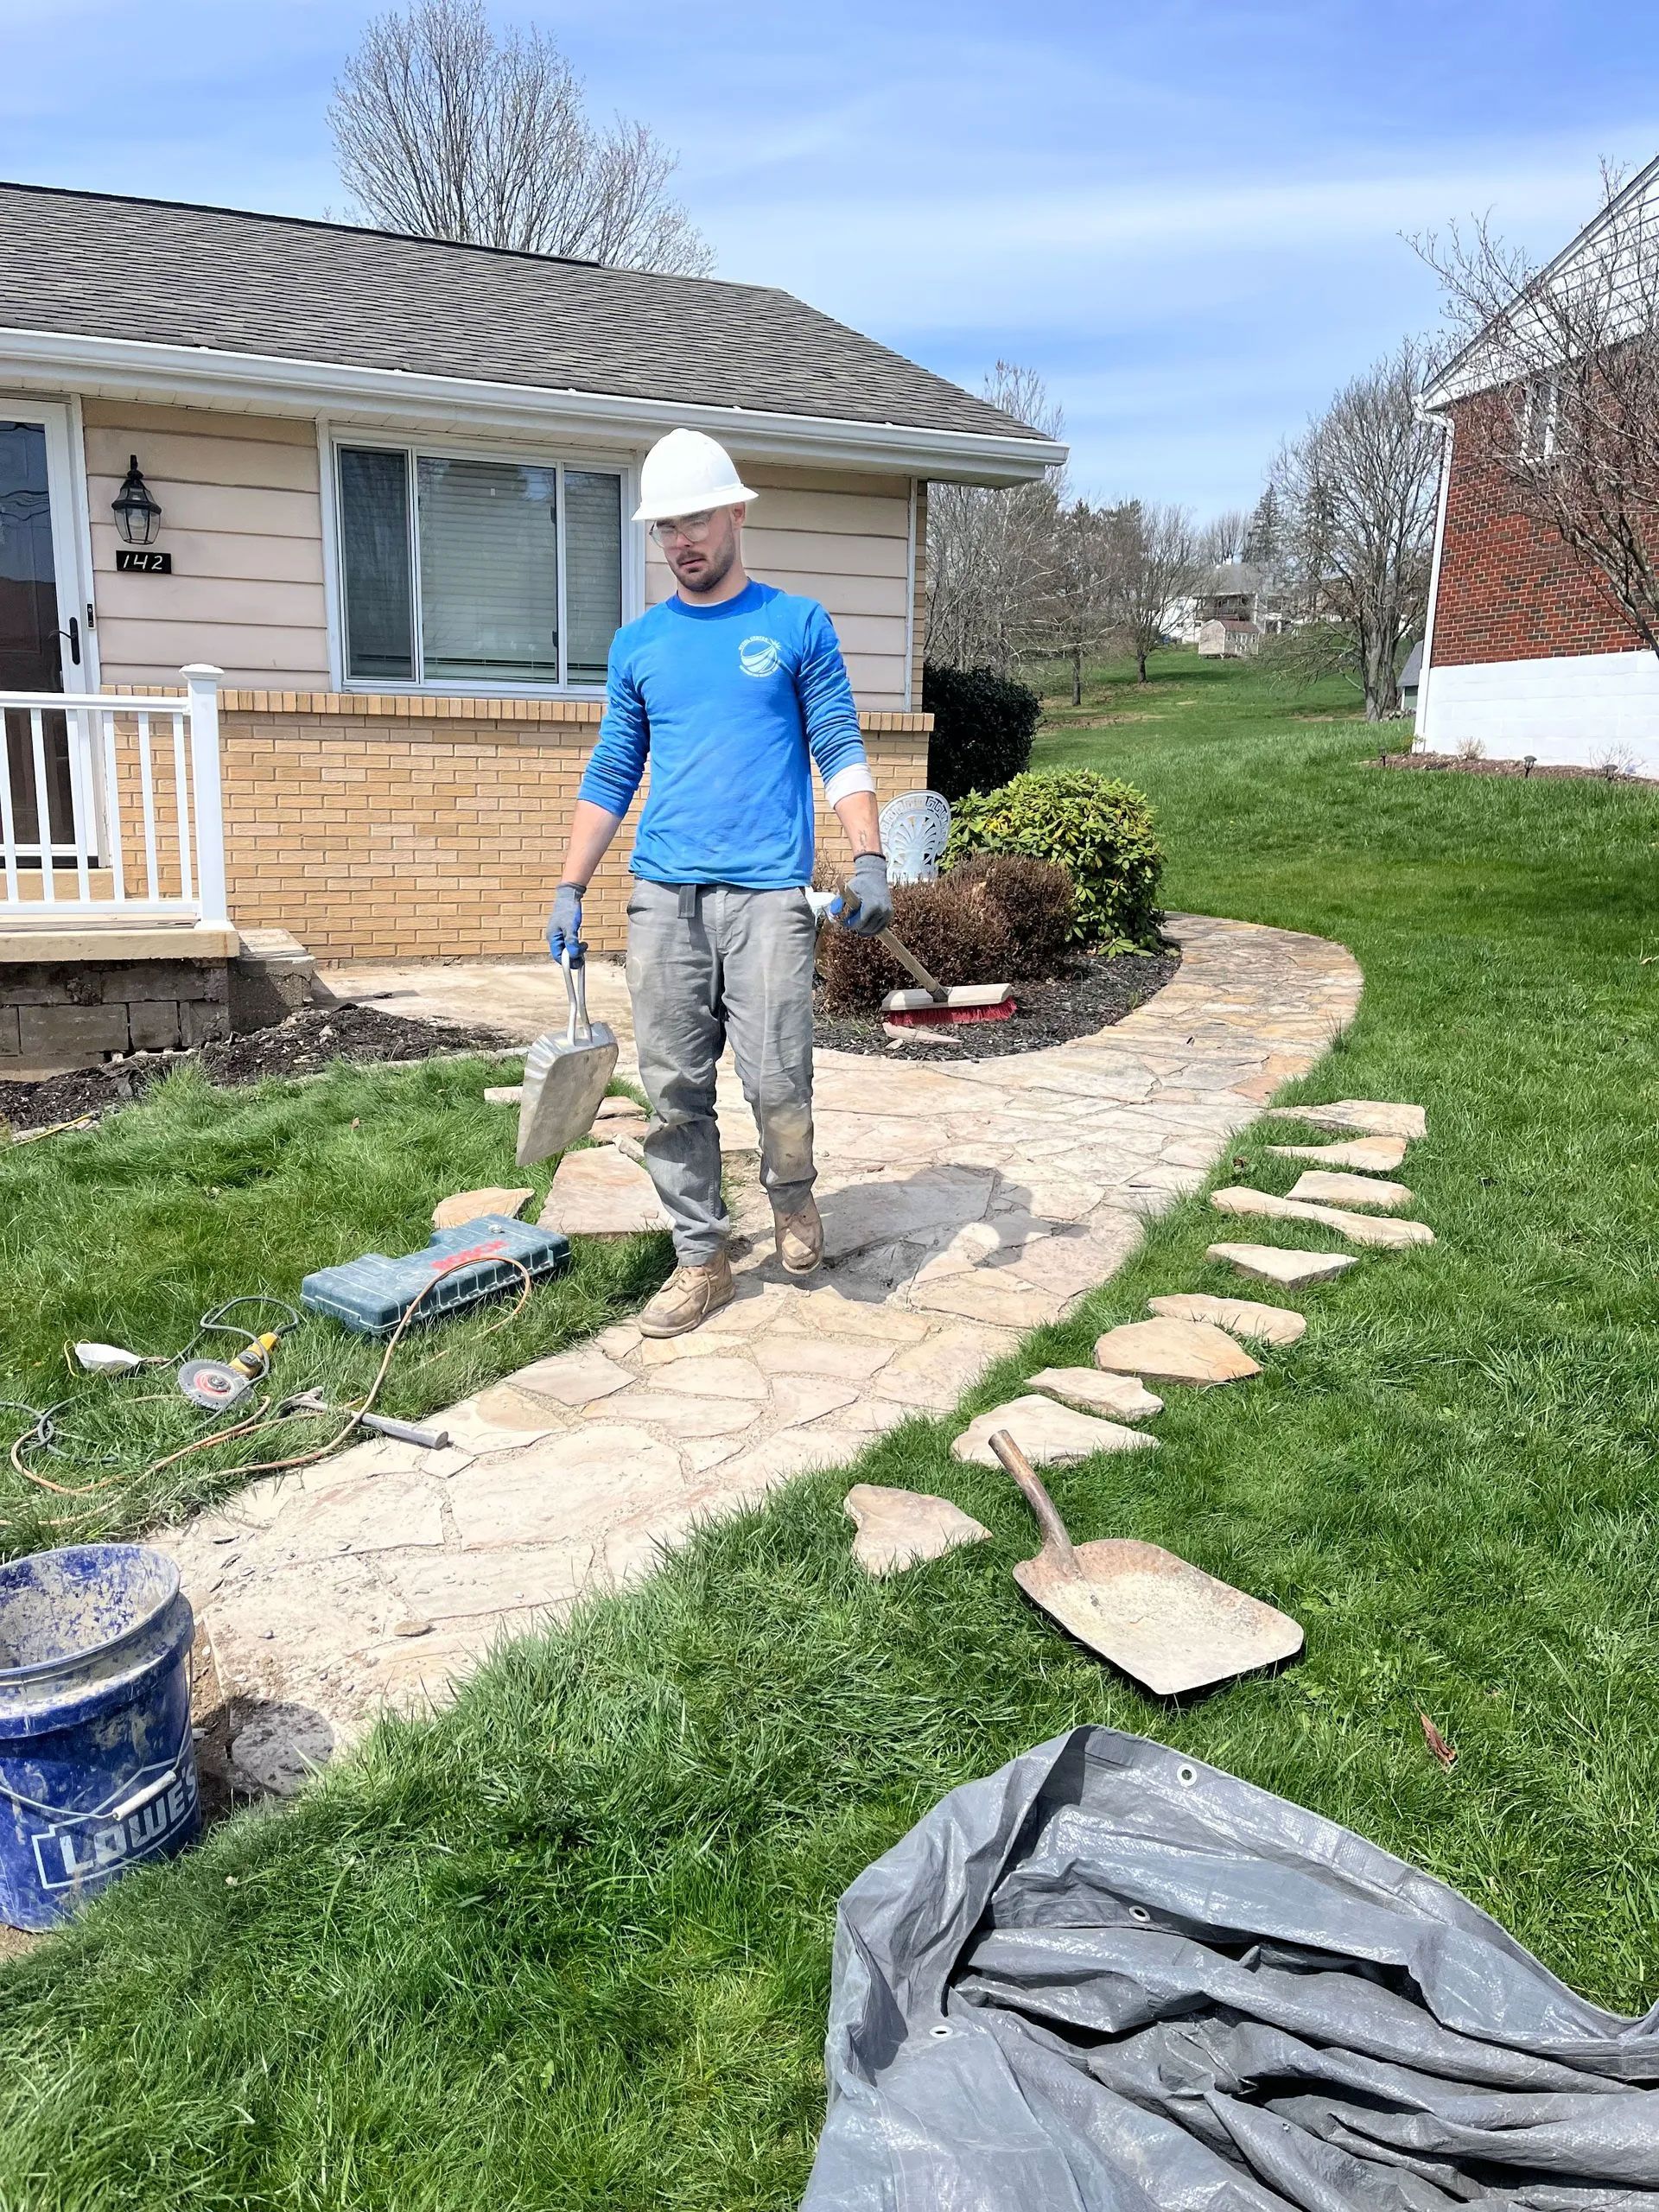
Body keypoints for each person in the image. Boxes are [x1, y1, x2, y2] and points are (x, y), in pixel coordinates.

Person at [546, 427, 893, 1338]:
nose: (682, 541)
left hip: (768, 894)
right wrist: (571, 886)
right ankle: (702, 1258)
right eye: (666, 527)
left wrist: (867, 857)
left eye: (695, 518)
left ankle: (793, 1196)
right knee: (673, 1091)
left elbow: (839, 746)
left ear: (736, 511)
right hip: (662, 896)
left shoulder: (795, 625)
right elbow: (612, 768)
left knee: (778, 1078)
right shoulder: (639, 645)